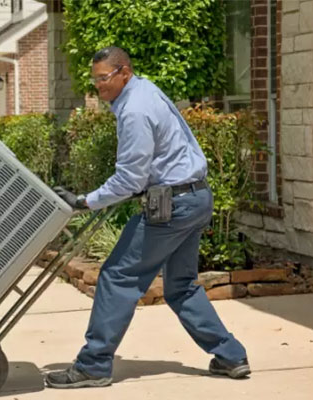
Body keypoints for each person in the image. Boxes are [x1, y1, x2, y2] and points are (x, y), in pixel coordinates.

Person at [46, 46, 250, 389]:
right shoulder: (145, 90)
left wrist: (85, 201)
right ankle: (231, 355)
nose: (99, 86)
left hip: (172, 205)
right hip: (196, 196)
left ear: (124, 71)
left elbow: (130, 179)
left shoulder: (135, 110)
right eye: (95, 79)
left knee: (117, 275)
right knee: (181, 286)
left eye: (104, 78)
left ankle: (94, 364)